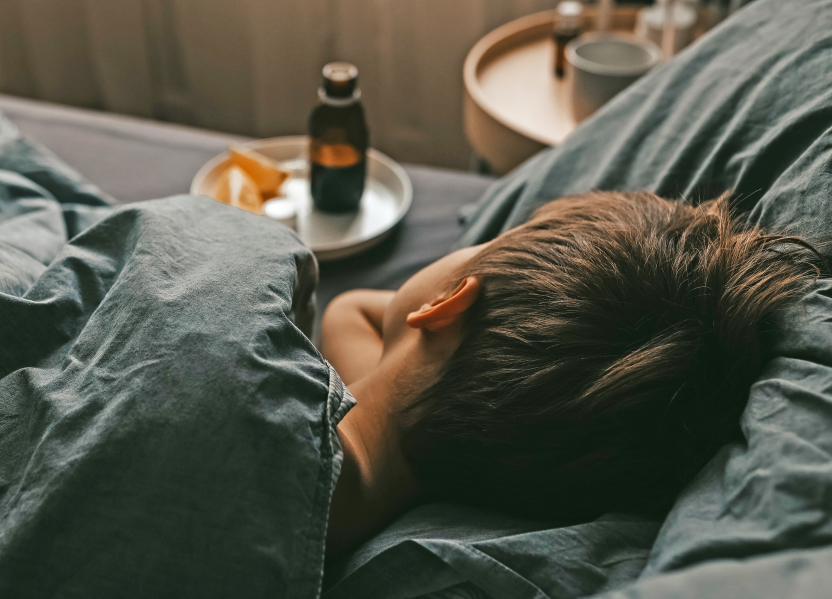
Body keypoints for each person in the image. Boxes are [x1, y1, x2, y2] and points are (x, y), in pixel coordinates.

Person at [319, 191, 825, 556]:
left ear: (447, 302)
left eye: (488, 246)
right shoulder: (398, 477)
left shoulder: (273, 415)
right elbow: (352, 312)